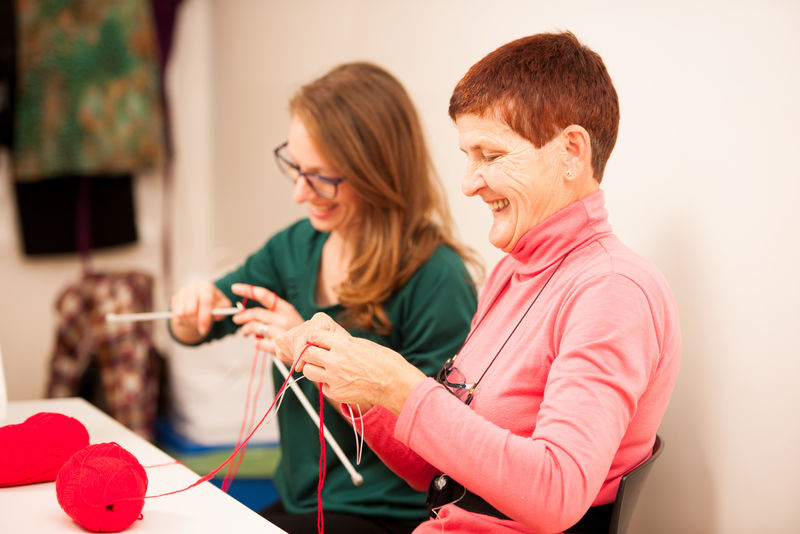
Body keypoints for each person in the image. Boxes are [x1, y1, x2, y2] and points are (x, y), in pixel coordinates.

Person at [276, 32, 681, 534]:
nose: (469, 182)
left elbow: (558, 493)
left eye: (489, 156)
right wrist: (354, 384)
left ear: (571, 152)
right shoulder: (514, 271)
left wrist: (401, 387)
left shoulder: (613, 291)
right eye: (468, 156)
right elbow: (439, 470)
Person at [169, 62, 480, 534]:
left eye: (321, 178)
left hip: (388, 515)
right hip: (301, 502)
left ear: (377, 171)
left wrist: (306, 346)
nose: (299, 192)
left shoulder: (437, 278)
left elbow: (435, 442)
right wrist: (190, 310)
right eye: (294, 167)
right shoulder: (294, 249)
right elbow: (203, 322)